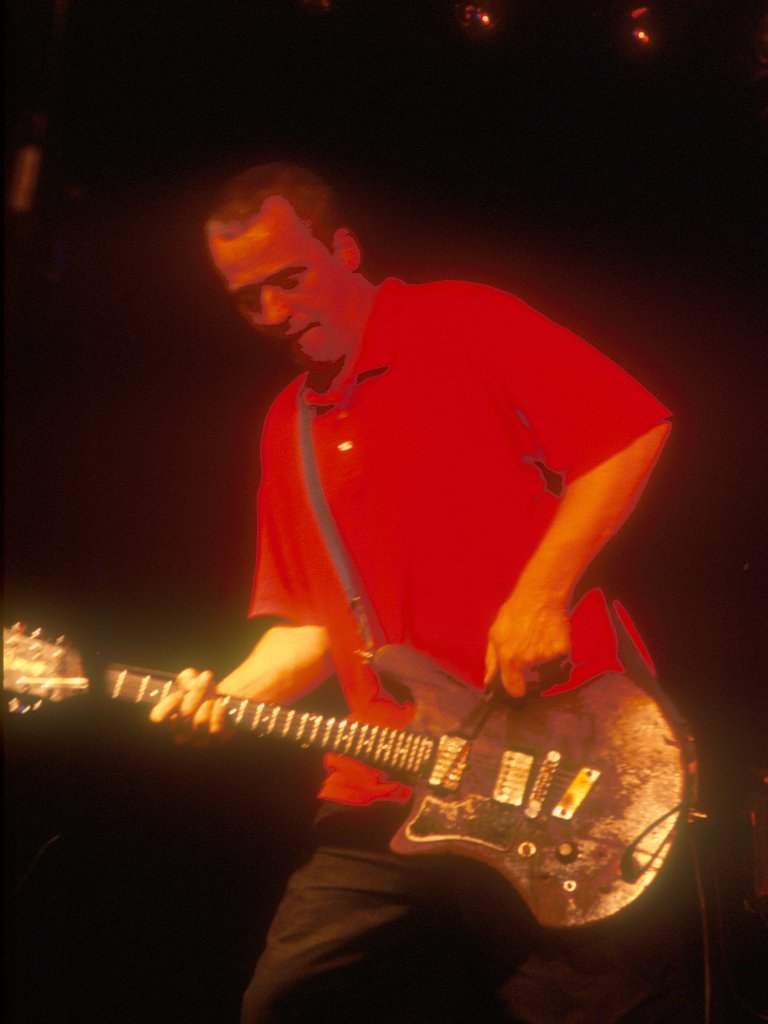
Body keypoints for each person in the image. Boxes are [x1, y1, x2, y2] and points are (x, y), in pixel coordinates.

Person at [151, 164, 698, 1023]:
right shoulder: (287, 423)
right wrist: (225, 696)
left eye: (289, 278)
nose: (272, 311)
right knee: (284, 1008)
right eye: (247, 298)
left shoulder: (459, 320)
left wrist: (539, 595)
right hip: (385, 783)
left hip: (554, 763)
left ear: (345, 248)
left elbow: (628, 431)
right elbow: (309, 623)